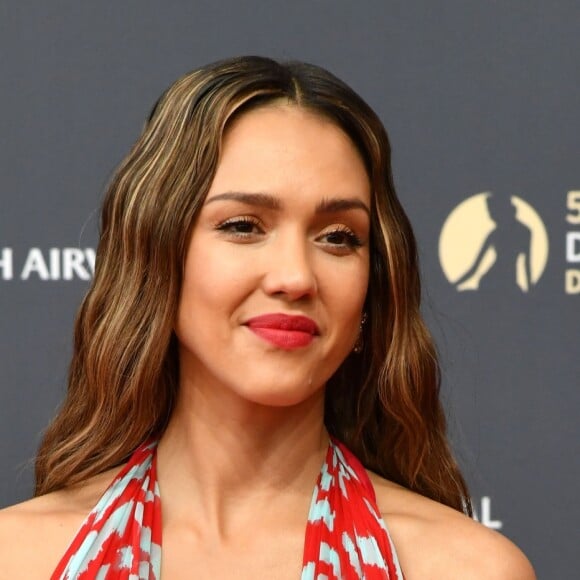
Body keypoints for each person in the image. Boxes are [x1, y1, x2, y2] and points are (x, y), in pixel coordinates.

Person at [0, 56, 535, 579]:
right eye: (242, 226)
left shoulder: (466, 569)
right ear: (158, 255)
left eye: (338, 237)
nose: (296, 277)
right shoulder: (20, 557)